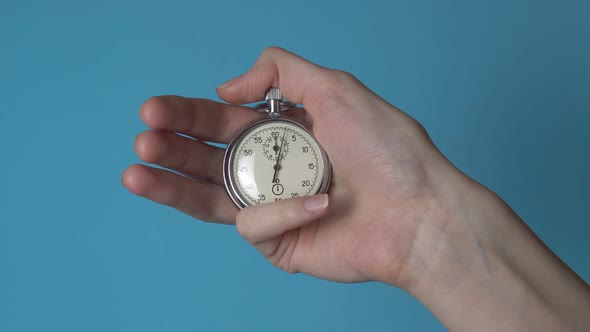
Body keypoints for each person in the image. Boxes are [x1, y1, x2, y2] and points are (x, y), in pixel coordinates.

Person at [122, 47, 590, 331]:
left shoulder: (308, 146)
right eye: (272, 152)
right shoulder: (255, 149)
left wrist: (422, 226)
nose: (280, 156)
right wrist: (428, 244)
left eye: (286, 150)